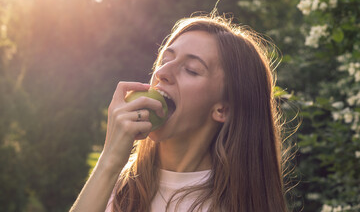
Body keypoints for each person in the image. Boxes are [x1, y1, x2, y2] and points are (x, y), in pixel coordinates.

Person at [70, 12, 289, 212]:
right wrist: (109, 161)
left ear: (223, 109)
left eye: (191, 70)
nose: (162, 72)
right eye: (165, 60)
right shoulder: (119, 185)